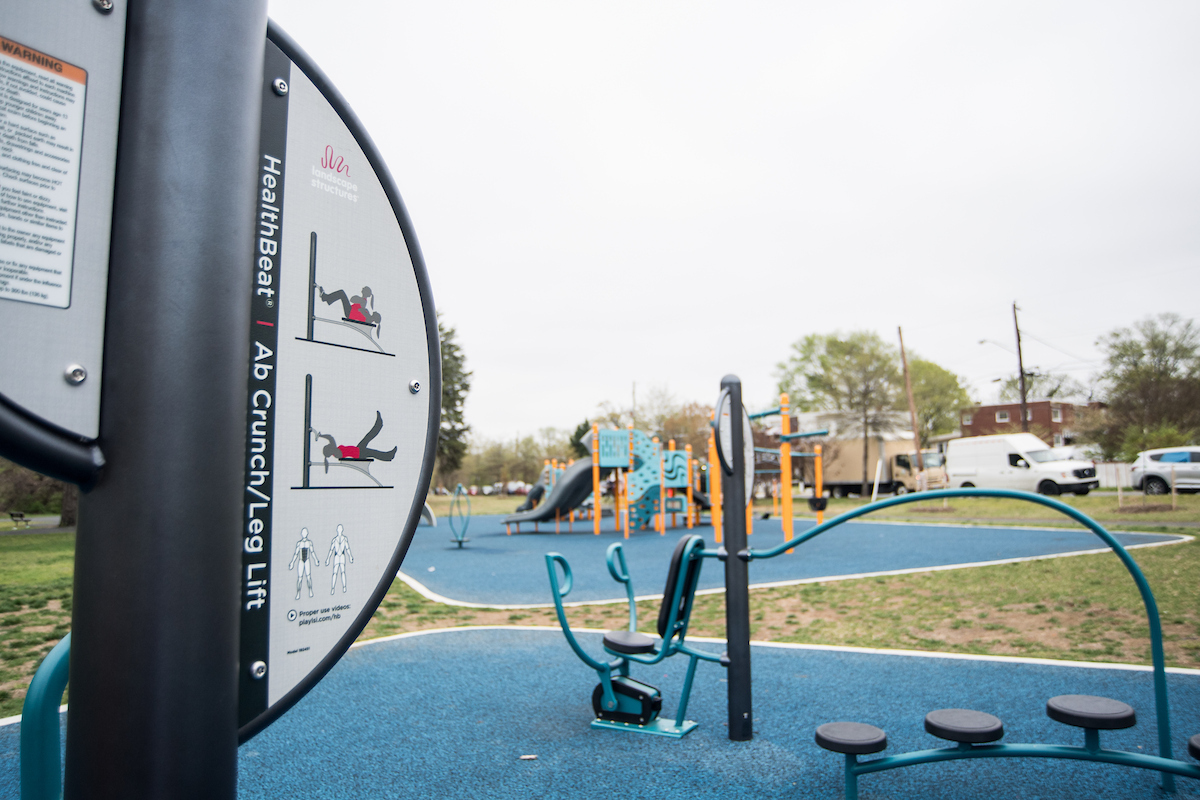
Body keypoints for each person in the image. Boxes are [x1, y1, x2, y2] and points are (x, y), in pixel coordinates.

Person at [317, 285, 382, 336]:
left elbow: (353, 301)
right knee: (341, 293)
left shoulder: (367, 316)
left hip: (350, 313)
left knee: (341, 293)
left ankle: (325, 298)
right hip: (351, 312)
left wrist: (361, 305)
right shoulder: (367, 313)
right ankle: (327, 299)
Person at [288, 528, 320, 599]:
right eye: (303, 533)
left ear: (307, 533)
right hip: (301, 561)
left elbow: (312, 552)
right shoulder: (299, 543)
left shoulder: (309, 543)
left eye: (305, 533)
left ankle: (310, 590)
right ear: (301, 534)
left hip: (307, 561)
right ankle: (298, 593)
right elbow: (296, 554)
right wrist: (292, 562)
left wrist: (316, 560)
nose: (304, 534)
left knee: (308, 577)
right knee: (300, 578)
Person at [327, 524, 354, 594]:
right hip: (336, 556)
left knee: (343, 572)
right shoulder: (334, 540)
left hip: (342, 556)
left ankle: (344, 587)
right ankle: (332, 588)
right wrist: (328, 559)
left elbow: (347, 548)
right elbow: (331, 550)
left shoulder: (344, 539)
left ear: (342, 530)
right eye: (338, 529)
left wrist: (350, 557)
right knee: (334, 573)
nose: (339, 530)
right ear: (337, 530)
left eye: (340, 529)